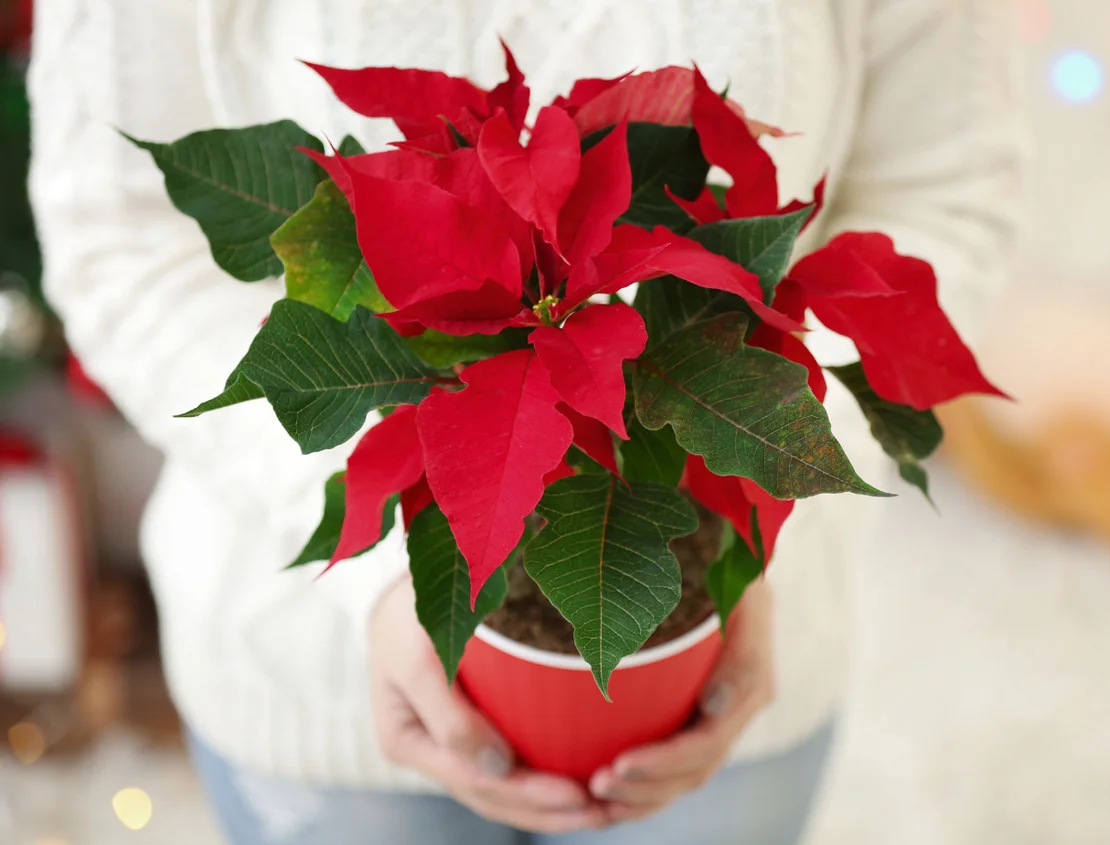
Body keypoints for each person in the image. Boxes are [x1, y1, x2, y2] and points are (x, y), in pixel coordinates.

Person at [27, 1, 1024, 842]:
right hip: (310, 700)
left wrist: (765, 517)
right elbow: (118, 239)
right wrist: (384, 580)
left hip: (723, 695)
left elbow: (944, 189)